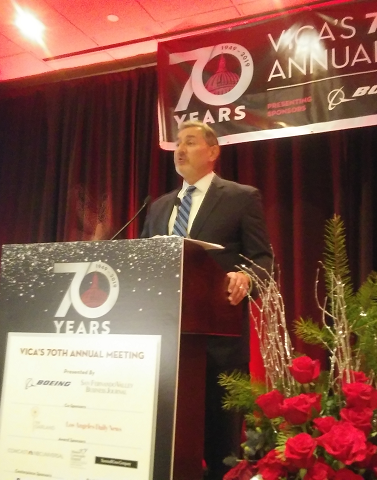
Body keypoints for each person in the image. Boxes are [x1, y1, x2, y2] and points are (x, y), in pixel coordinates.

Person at [140, 120, 273, 479]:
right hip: (164, 346)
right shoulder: (159, 207)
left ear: (213, 152)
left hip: (218, 344)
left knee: (220, 450)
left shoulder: (240, 197)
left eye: (190, 142)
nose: (179, 149)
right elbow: (141, 261)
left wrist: (247, 277)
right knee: (164, 444)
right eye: (177, 143)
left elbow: (264, 259)